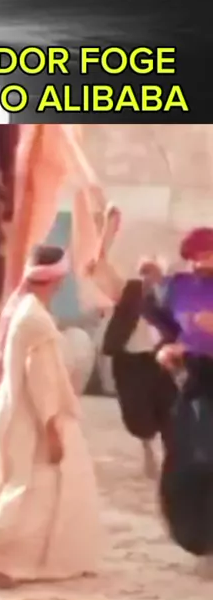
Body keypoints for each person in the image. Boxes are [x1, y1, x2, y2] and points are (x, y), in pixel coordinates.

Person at [0, 244, 103, 587]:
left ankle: (26, 561)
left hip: (18, 410)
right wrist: (50, 427)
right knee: (32, 487)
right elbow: (41, 377)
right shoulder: (35, 319)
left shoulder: (25, 309)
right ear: (57, 279)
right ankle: (0, 560)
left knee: (39, 489)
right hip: (32, 416)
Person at [144, 227, 213, 561]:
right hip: (196, 380)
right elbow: (165, 326)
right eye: (195, 258)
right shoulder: (179, 287)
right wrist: (167, 348)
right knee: (189, 455)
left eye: (207, 256)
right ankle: (196, 536)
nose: (201, 264)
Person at [89, 251, 177, 478]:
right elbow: (99, 270)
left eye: (152, 272)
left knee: (170, 412)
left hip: (160, 360)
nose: (148, 278)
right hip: (129, 361)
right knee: (137, 415)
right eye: (144, 273)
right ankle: (147, 445)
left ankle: (170, 462)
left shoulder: (168, 295)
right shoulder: (129, 292)